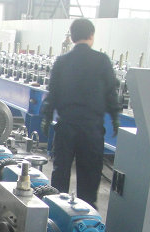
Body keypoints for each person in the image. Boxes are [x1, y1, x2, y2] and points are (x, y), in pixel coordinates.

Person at [41, 18, 120, 209]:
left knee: (61, 170)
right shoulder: (101, 61)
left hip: (66, 126)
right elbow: (111, 93)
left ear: (72, 37)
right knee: (89, 173)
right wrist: (115, 118)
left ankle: (57, 210)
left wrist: (47, 117)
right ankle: (87, 211)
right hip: (91, 129)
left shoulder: (62, 61)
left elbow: (52, 93)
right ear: (91, 35)